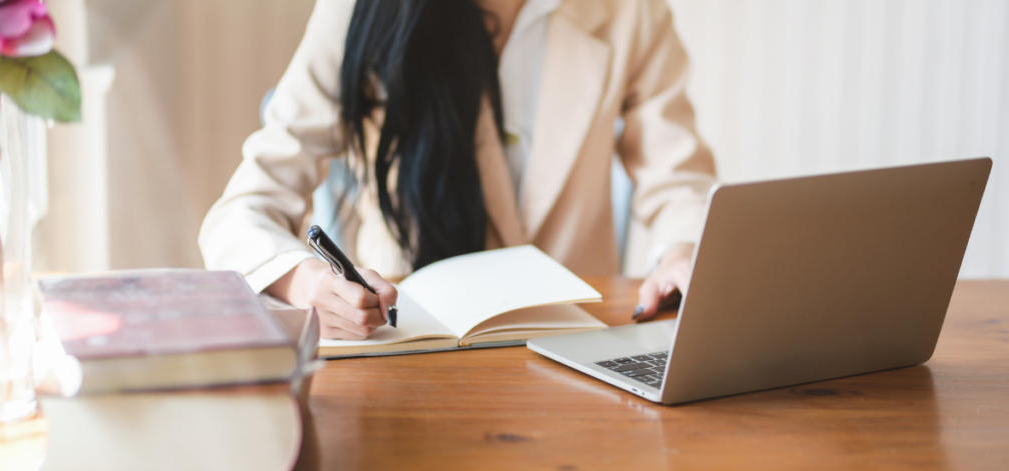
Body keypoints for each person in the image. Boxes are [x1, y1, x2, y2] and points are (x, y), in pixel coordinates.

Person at [199, 0, 716, 340]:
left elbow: (678, 182)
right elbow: (243, 210)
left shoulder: (631, 12)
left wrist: (682, 251)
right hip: (410, 346)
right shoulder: (358, 11)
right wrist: (306, 282)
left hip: (574, 345)